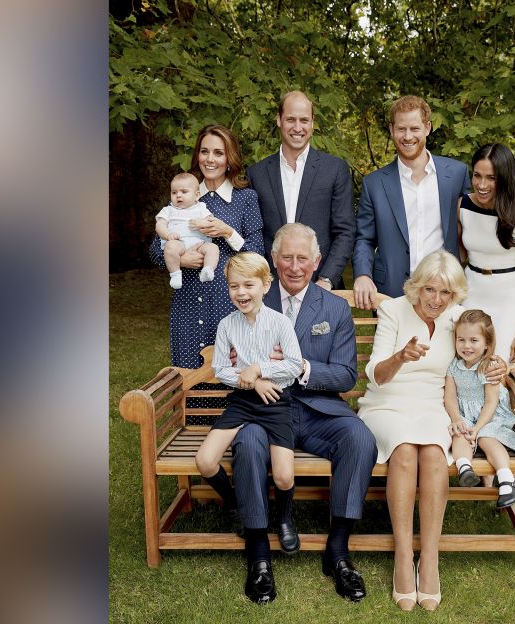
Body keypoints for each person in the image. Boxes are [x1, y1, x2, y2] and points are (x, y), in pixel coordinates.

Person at [231, 223, 378, 604]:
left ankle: (338, 550)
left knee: (359, 437)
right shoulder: (253, 299)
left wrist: (300, 367)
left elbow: (346, 375)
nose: (294, 267)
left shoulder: (334, 308)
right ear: (273, 260)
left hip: (317, 410)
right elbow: (233, 354)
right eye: (286, 257)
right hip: (264, 409)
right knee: (247, 443)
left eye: (302, 258)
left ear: (316, 262)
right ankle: (259, 554)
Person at [358, 250, 505, 611]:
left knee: (436, 455)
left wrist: (498, 365)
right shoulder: (393, 310)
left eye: (446, 293)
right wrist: (400, 357)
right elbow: (375, 374)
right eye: (430, 290)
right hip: (387, 401)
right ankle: (404, 556)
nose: (436, 300)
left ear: (455, 295)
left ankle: (432, 558)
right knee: (405, 450)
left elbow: (484, 347)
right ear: (417, 287)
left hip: (433, 405)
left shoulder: (457, 319)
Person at [194, 252, 304, 605]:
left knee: (285, 477)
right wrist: (249, 382)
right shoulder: (227, 325)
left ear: (265, 285)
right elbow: (221, 370)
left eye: (248, 285)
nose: (241, 292)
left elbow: (292, 366)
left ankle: (284, 517)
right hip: (243, 401)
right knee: (205, 461)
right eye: (234, 286)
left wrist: (257, 369)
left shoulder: (280, 323)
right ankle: (238, 505)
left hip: (276, 403)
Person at [148, 124, 264, 368]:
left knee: (231, 372)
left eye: (218, 153)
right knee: (188, 372)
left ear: (229, 158)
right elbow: (154, 249)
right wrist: (179, 260)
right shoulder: (183, 194)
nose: (210, 159)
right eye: (204, 151)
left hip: (228, 300)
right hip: (187, 299)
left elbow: (257, 253)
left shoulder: (246, 198)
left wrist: (228, 232)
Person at [352, 95, 470, 309]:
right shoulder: (374, 183)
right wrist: (362, 274)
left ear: (427, 127)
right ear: (391, 129)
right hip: (391, 292)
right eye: (401, 129)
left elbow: (472, 226)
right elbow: (365, 239)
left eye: (414, 128)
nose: (407, 136)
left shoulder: (456, 175)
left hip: (445, 292)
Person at [247, 91, 354, 289]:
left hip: (321, 286)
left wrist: (327, 279)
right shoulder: (256, 174)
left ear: (312, 122)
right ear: (279, 120)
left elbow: (345, 232)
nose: (297, 128)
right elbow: (254, 234)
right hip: (271, 289)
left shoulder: (335, 169)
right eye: (290, 119)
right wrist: (264, 279)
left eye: (304, 120)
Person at [458, 143, 515, 362]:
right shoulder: (462, 206)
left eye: (491, 178)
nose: (482, 184)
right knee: (466, 365)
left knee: (500, 368)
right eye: (477, 175)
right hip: (471, 294)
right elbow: (458, 258)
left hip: (508, 299)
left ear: (504, 178)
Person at [446, 309, 515, 508]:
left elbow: (491, 403)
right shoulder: (454, 366)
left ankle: (506, 480)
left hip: (490, 417)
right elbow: (450, 398)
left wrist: (478, 428)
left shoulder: (488, 366)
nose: (466, 346)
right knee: (459, 433)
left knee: (487, 438)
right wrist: (457, 418)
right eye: (461, 340)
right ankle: (465, 468)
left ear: (487, 343)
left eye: (474, 340)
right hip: (466, 415)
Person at [154, 172, 220, 289]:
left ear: (197, 195)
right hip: (178, 243)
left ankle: (208, 269)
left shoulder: (201, 208)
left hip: (200, 243)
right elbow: (160, 225)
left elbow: (212, 222)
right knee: (170, 248)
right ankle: (175, 274)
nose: (178, 195)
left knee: (213, 248)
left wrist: (203, 223)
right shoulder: (168, 210)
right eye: (174, 192)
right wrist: (168, 234)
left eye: (184, 192)